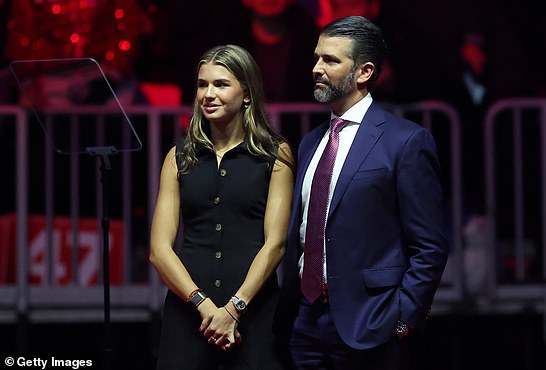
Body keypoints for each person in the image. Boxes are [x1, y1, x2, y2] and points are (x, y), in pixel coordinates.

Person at [274, 16, 449, 369]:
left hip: (371, 324)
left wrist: (403, 322)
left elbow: (429, 246)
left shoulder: (405, 141)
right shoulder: (312, 142)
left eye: (331, 60)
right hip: (305, 323)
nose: (316, 68)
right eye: (316, 58)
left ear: (364, 72)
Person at [150, 44, 294, 370]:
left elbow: (276, 244)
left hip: (254, 311)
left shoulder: (275, 154)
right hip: (189, 314)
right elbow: (159, 250)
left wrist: (233, 309)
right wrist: (204, 306)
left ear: (247, 93)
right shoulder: (179, 157)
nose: (208, 94)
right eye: (203, 84)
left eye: (221, 84)